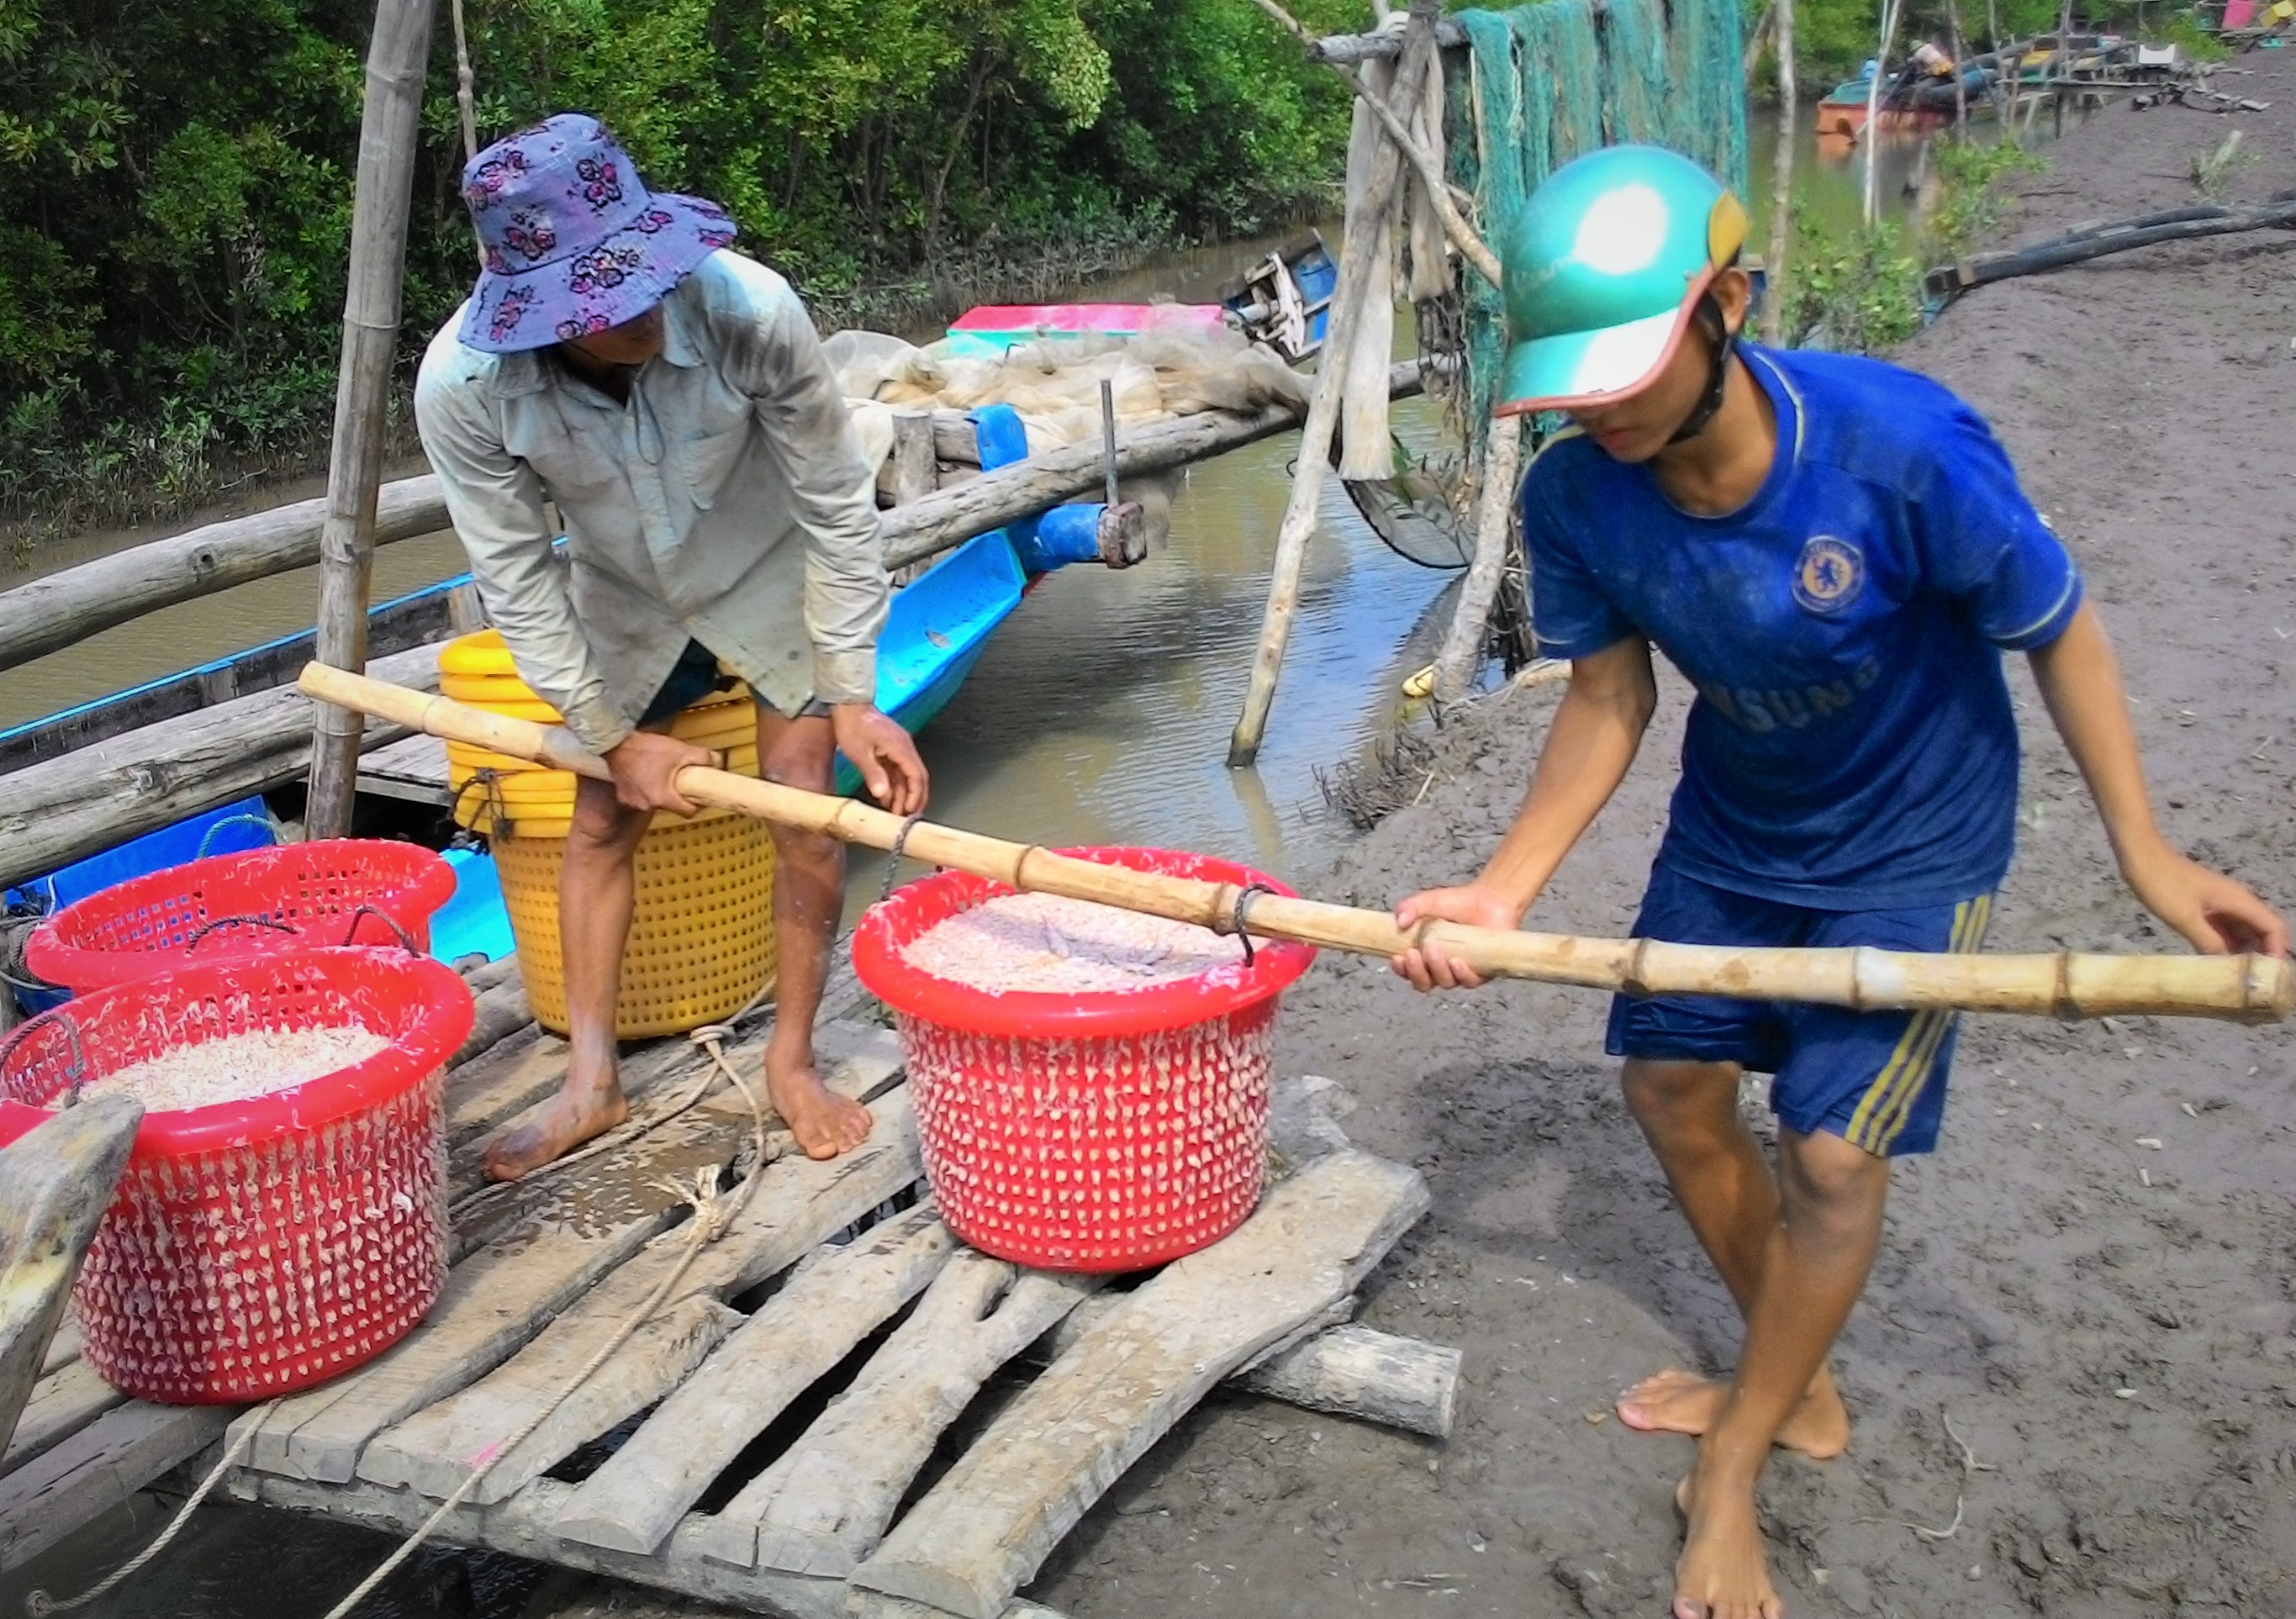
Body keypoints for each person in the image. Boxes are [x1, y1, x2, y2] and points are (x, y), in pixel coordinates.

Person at [1388, 145, 2286, 1619]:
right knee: (1671, 1095)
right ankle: (1787, 1379)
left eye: (1628, 368)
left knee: (1828, 1154)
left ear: (1726, 305)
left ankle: (1739, 1455)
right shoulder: (1578, 497)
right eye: (1575, 383)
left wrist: (2148, 855)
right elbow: (1608, 700)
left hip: (1918, 843)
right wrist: (1503, 889)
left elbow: (2057, 626)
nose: (1599, 409)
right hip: (1740, 828)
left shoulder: (1895, 446)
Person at [416, 114, 928, 1180]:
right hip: (625, 596)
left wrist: (852, 691)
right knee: (599, 816)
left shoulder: (748, 307)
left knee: (807, 807)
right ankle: (591, 1080)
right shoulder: (464, 386)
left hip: (770, 568)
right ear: (539, 314)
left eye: (643, 282)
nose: (638, 313)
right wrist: (608, 735)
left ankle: (791, 1061)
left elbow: (835, 504)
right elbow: (515, 575)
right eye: (600, 306)